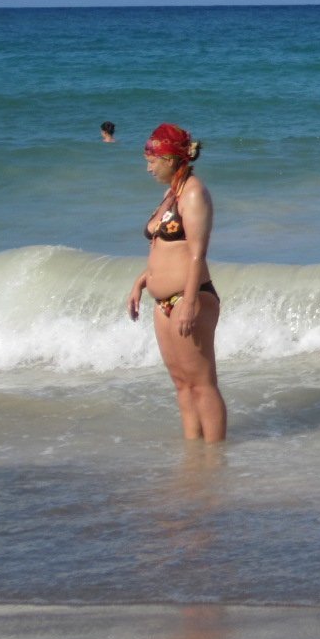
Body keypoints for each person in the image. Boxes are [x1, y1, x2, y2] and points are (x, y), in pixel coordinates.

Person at [127, 123, 227, 442]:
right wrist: (142, 282)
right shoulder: (172, 193)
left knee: (202, 383)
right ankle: (193, 455)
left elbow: (197, 253)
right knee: (181, 383)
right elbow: (166, 249)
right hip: (163, 301)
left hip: (190, 297)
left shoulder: (194, 193)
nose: (148, 167)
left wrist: (190, 302)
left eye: (152, 160)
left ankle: (214, 458)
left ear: (170, 159)